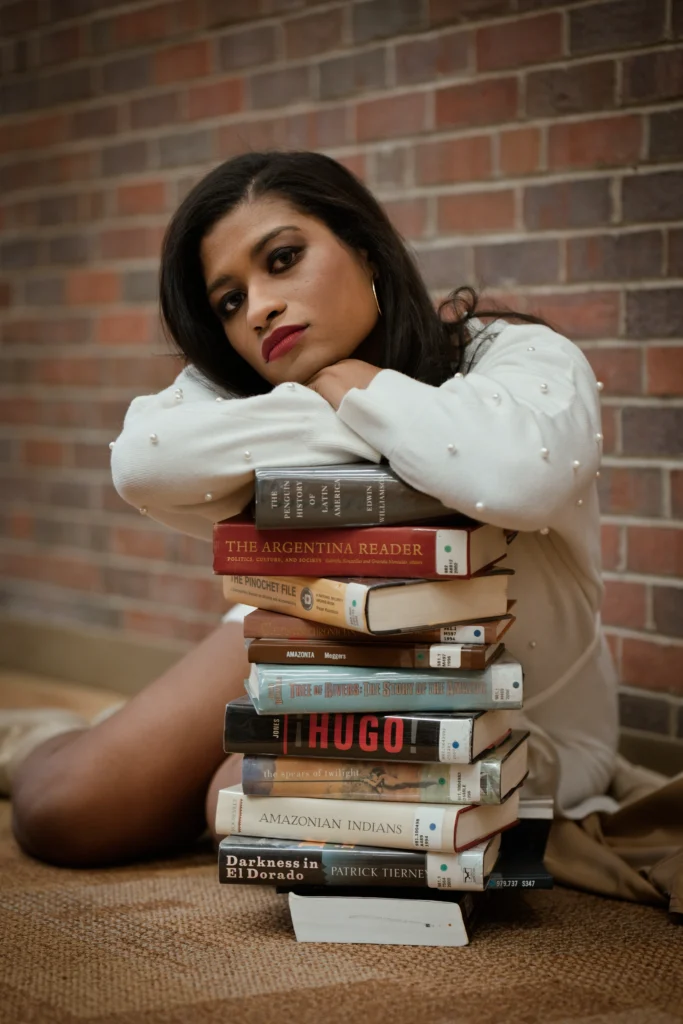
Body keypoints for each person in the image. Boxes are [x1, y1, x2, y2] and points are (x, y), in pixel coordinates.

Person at [7, 150, 622, 869]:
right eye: (229, 301)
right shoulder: (260, 388)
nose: (259, 307)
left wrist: (361, 386)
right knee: (64, 812)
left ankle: (145, 747)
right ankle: (38, 736)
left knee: (242, 804)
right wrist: (346, 391)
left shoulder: (519, 357)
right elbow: (142, 459)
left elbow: (513, 477)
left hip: (517, 714)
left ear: (363, 247)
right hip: (319, 626)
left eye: (283, 259)